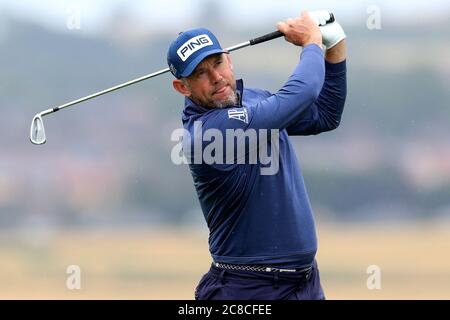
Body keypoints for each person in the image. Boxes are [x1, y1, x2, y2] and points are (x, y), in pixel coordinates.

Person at [167, 10, 347, 300]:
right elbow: (302, 94)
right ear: (182, 87)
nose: (216, 77)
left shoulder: (255, 99)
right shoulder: (206, 133)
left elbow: (324, 115)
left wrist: (335, 41)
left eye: (217, 63)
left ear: (230, 58)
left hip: (304, 284)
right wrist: (311, 42)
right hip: (246, 288)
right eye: (200, 73)